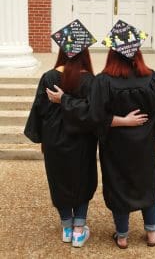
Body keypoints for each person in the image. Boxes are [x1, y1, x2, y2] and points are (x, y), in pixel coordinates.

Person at [46, 20, 155, 249]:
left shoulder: (104, 81)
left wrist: (65, 100)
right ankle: (152, 235)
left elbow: (94, 116)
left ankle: (122, 237)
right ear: (138, 52)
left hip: (116, 145)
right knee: (147, 185)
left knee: (118, 186)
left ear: (112, 53)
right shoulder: (152, 77)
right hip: (144, 146)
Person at [24, 19, 148, 248]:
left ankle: (67, 227)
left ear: (62, 52)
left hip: (55, 141)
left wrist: (42, 138)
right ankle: (79, 230)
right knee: (82, 181)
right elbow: (95, 114)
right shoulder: (91, 81)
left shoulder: (49, 77)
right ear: (85, 54)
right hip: (82, 141)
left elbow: (39, 111)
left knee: (59, 181)